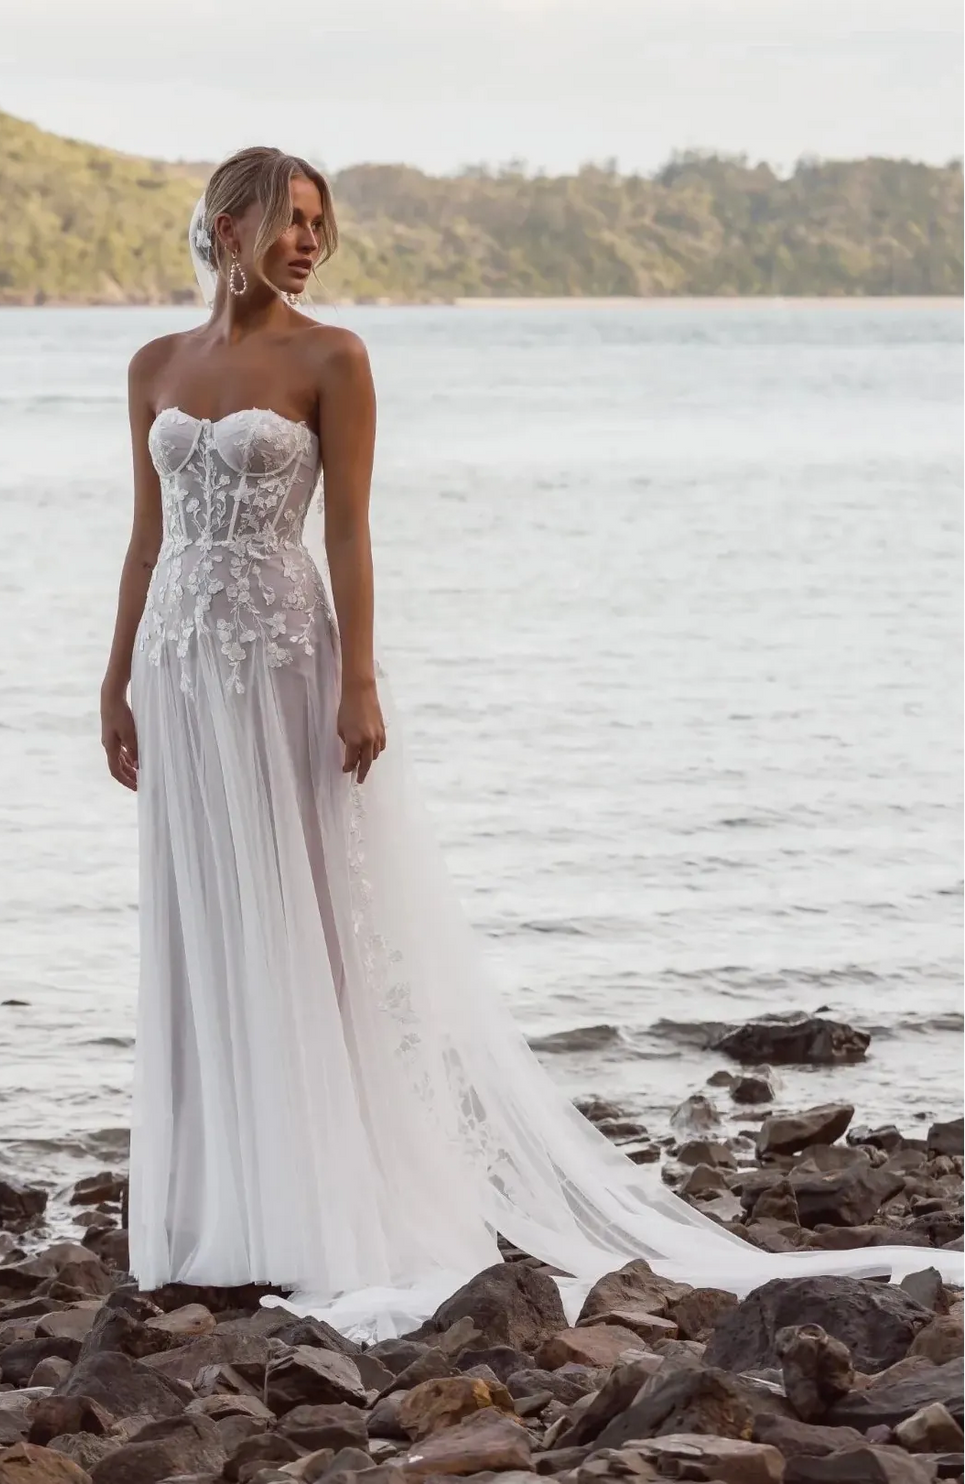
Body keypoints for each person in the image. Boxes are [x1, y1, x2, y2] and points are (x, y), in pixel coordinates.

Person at [101, 146, 965, 1343]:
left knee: (303, 918)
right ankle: (213, 1212)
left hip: (286, 657)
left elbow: (348, 532)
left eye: (318, 224)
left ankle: (314, 1209)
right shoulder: (153, 363)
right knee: (206, 918)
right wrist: (114, 680)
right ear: (229, 222)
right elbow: (145, 540)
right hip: (180, 666)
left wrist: (360, 676)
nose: (308, 242)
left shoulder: (333, 356)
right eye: (290, 220)